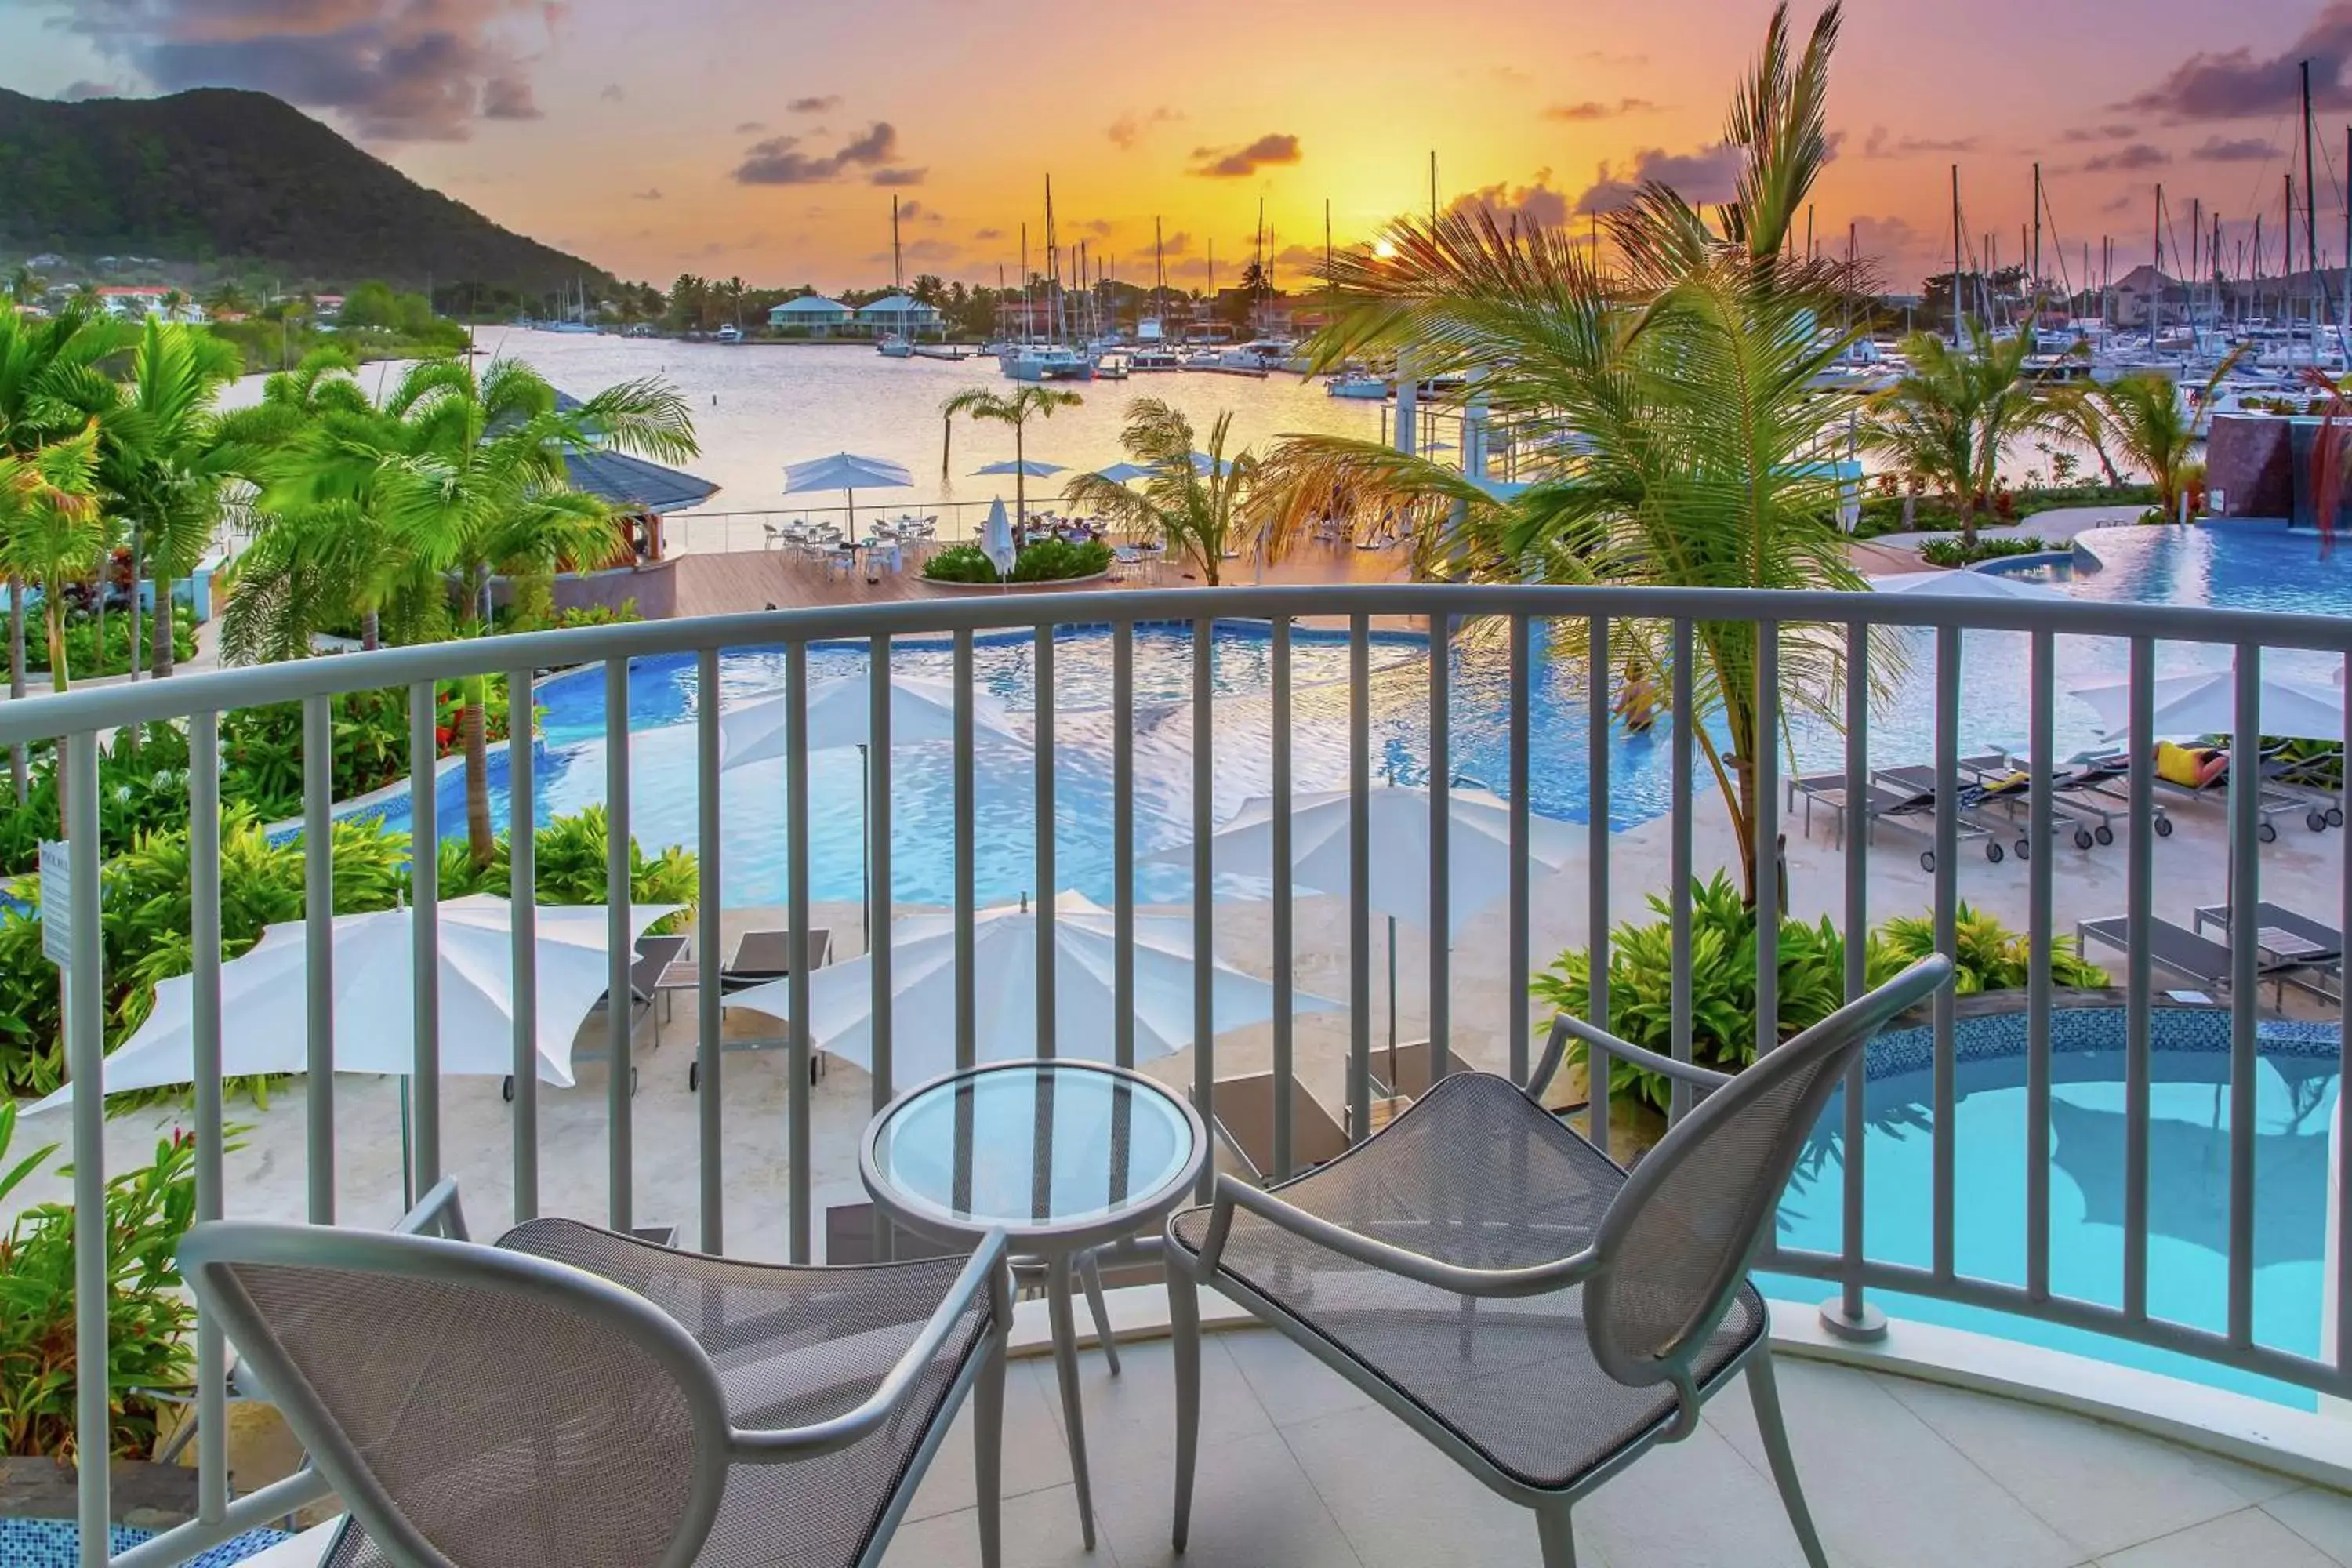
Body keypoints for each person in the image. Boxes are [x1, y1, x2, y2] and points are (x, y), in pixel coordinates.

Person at [1612, 658, 1661, 735]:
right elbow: (1663, 701)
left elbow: (1620, 709)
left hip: (1634, 724)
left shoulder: (1629, 689)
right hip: (1648, 722)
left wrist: (1610, 709)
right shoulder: (1650, 686)